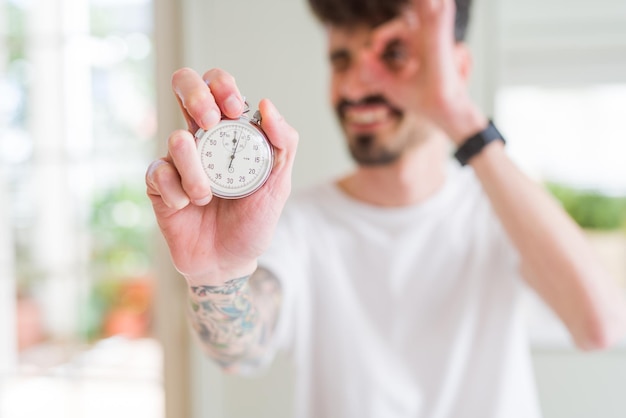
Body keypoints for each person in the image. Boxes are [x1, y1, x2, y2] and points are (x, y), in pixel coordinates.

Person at [145, 0, 626, 416]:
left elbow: (599, 326)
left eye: (393, 55)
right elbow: (241, 355)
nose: (356, 86)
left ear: (457, 69)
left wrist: (461, 117)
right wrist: (217, 275)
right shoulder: (297, 222)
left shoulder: (501, 208)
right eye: (341, 59)